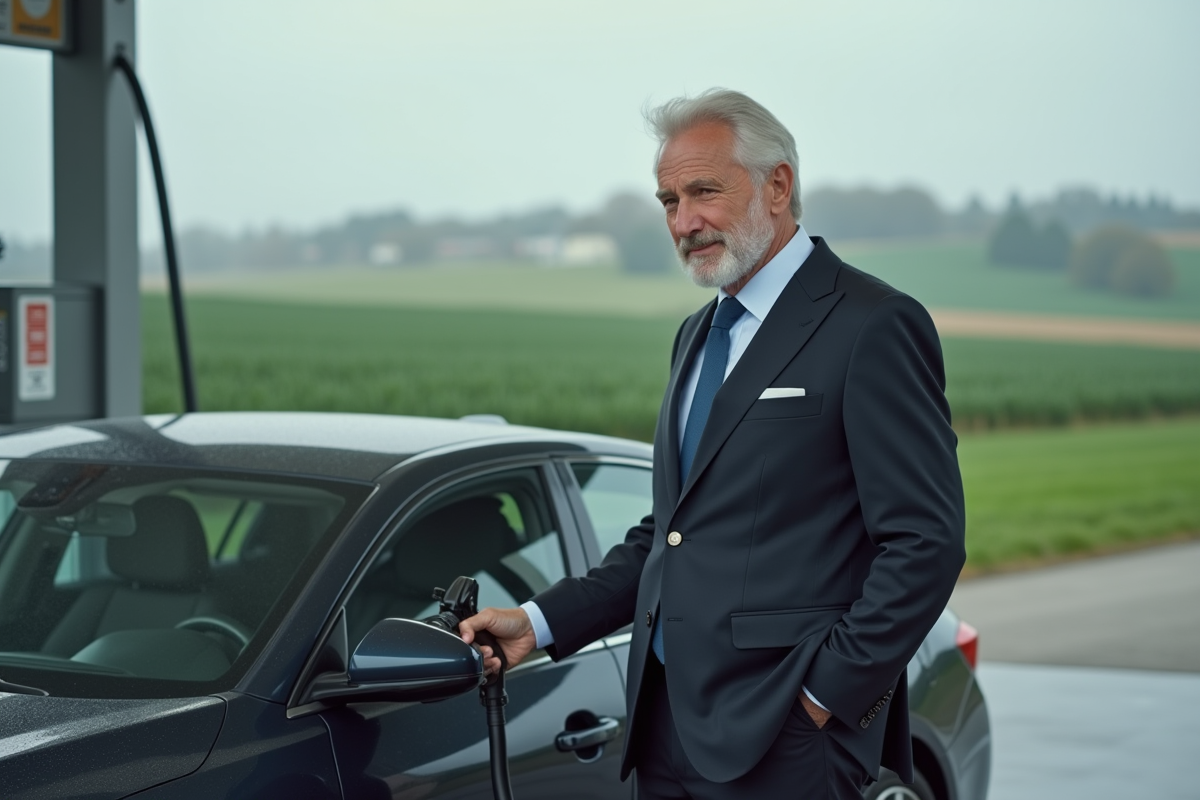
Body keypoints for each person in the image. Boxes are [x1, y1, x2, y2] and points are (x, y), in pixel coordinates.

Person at [459, 88, 966, 799]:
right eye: (669, 201)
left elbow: (926, 542)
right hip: (661, 730)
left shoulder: (872, 324)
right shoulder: (696, 335)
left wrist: (826, 697)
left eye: (703, 192)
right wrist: (537, 624)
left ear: (777, 186)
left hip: (788, 735)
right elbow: (673, 534)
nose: (683, 222)